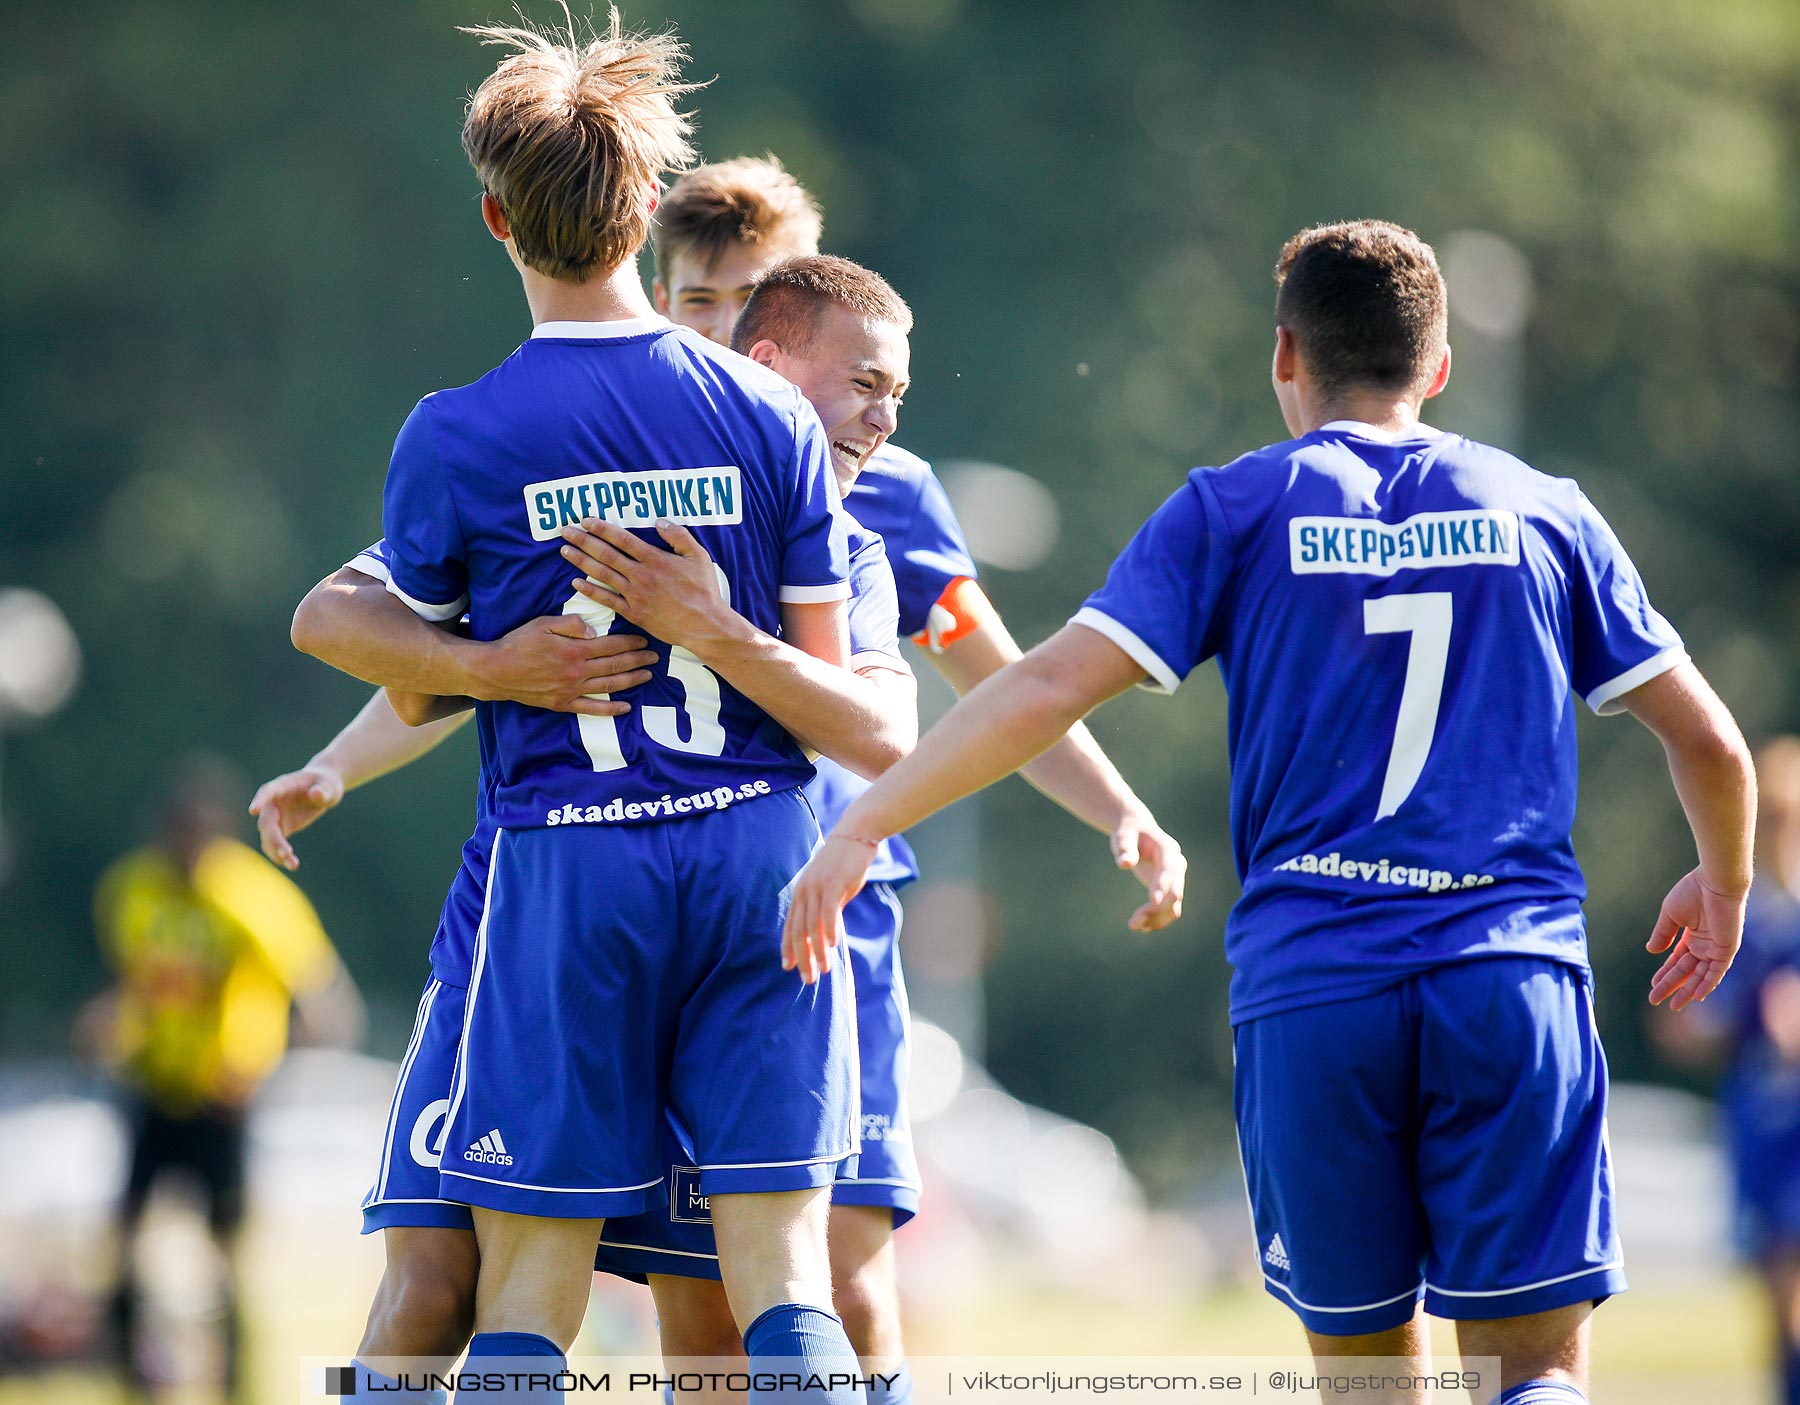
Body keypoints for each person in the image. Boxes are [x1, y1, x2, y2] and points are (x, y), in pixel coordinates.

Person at [782, 219, 1757, 1405]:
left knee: (1368, 1382)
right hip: (1508, 979)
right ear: (1439, 366)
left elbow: (1036, 688)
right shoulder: (1540, 506)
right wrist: (1726, 881)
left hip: (1319, 994)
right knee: (1533, 1372)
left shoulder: (1237, 506)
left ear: (1284, 356)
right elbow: (1708, 737)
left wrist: (863, 821)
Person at [260, 159, 1183, 1400]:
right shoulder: (613, 427)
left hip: (770, 894)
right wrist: (358, 748)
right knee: (527, 1282)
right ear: (666, 279)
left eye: (741, 299)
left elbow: (989, 685)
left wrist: (1118, 805)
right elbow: (418, 656)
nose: (713, 329)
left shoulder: (869, 494)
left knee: (783, 1288)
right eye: (699, 300)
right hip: (655, 878)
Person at [290, 14, 882, 1402]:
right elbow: (850, 713)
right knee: (783, 1281)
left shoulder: (460, 431)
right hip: (762, 860)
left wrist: (501, 666)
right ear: (642, 216)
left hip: (568, 864)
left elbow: (362, 631)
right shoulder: (766, 414)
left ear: (496, 218)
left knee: (531, 1290)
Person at [87, 757, 362, 1400]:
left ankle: (235, 1385)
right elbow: (132, 981)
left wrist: (278, 1063)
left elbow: (322, 992)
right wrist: (109, 1022)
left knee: (226, 1254)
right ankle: (133, 1380)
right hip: (153, 1085)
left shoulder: (251, 895)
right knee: (124, 1240)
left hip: (222, 1099)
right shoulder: (131, 888)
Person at [1657, 736, 1800, 1405]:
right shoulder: (1746, 918)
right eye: (1769, 819)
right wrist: (1692, 1015)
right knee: (1778, 1304)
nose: (1779, 836)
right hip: (1764, 1131)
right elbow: (1688, 1032)